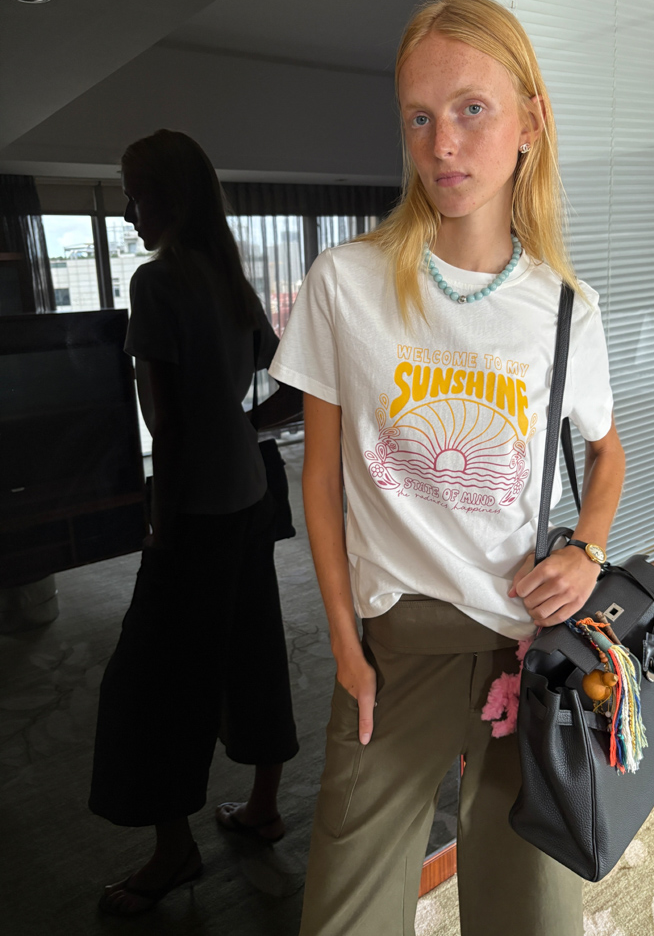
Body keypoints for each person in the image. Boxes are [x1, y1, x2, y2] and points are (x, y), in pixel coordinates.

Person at [268, 1, 626, 934]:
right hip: (394, 648)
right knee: (343, 913)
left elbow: (606, 450)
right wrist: (344, 644)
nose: (443, 145)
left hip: (528, 649)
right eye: (420, 117)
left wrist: (588, 549)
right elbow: (320, 480)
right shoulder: (345, 283)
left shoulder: (564, 309)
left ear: (530, 122)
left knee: (527, 912)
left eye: (472, 109)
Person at [89, 129, 299, 916]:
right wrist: (243, 426)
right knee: (253, 647)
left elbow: (167, 429)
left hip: (195, 511)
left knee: (148, 681)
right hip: (250, 497)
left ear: (169, 198)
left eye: (135, 195)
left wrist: (159, 526)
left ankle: (174, 850)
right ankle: (264, 807)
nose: (128, 213)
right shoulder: (230, 281)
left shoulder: (157, 283)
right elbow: (297, 389)